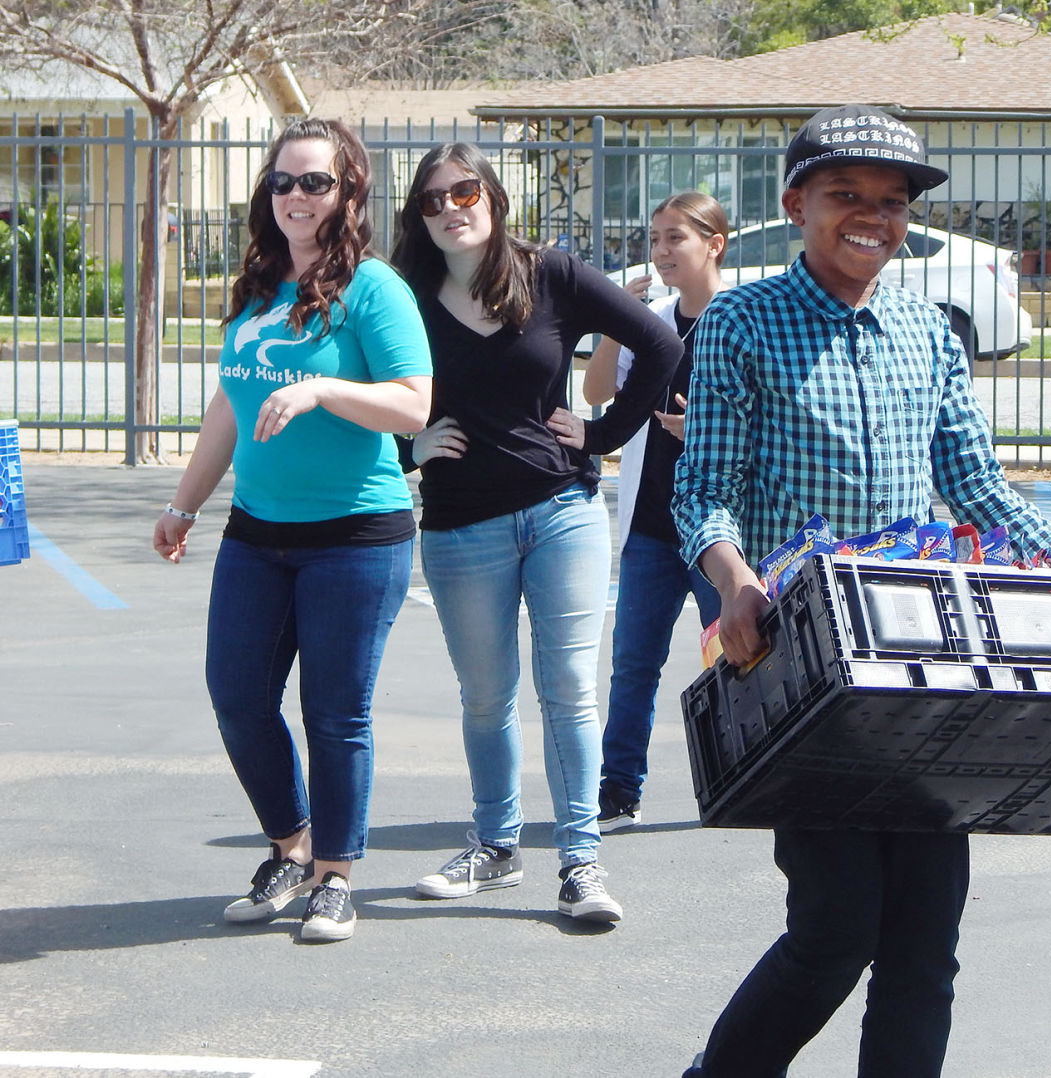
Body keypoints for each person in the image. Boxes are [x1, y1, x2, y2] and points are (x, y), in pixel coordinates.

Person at [673, 105, 1051, 1077]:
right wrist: (734, 582)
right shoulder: (741, 323)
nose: (872, 218)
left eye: (891, 203)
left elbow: (974, 482)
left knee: (924, 945)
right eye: (847, 196)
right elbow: (705, 489)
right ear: (796, 203)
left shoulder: (926, 330)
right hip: (802, 670)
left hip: (921, 659)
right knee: (836, 926)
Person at [152, 118, 433, 944]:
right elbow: (227, 408)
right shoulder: (258, 285)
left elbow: (414, 403)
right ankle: (289, 846)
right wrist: (184, 505)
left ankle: (335, 875)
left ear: (349, 191)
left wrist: (318, 389)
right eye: (283, 182)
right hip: (256, 532)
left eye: (315, 182)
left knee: (335, 713)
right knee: (237, 697)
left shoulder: (376, 288)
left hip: (356, 536)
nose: (296, 197)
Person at [391, 142, 681, 921]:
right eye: (432, 201)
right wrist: (405, 449)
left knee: (569, 693)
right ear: (418, 217)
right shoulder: (404, 294)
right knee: (486, 698)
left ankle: (581, 863)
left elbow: (660, 343)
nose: (452, 209)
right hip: (460, 527)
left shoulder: (549, 273)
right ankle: (495, 847)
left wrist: (606, 432)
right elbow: (365, 388)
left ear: (492, 196)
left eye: (464, 193)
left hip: (562, 512)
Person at [583, 192, 729, 831]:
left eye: (677, 238)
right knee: (633, 661)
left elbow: (769, 417)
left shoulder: (740, 319)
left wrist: (703, 426)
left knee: (732, 658)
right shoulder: (656, 320)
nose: (663, 251)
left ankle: (738, 776)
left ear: (713, 244)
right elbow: (593, 393)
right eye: (657, 239)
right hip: (650, 522)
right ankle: (619, 789)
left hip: (720, 529)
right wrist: (620, 322)